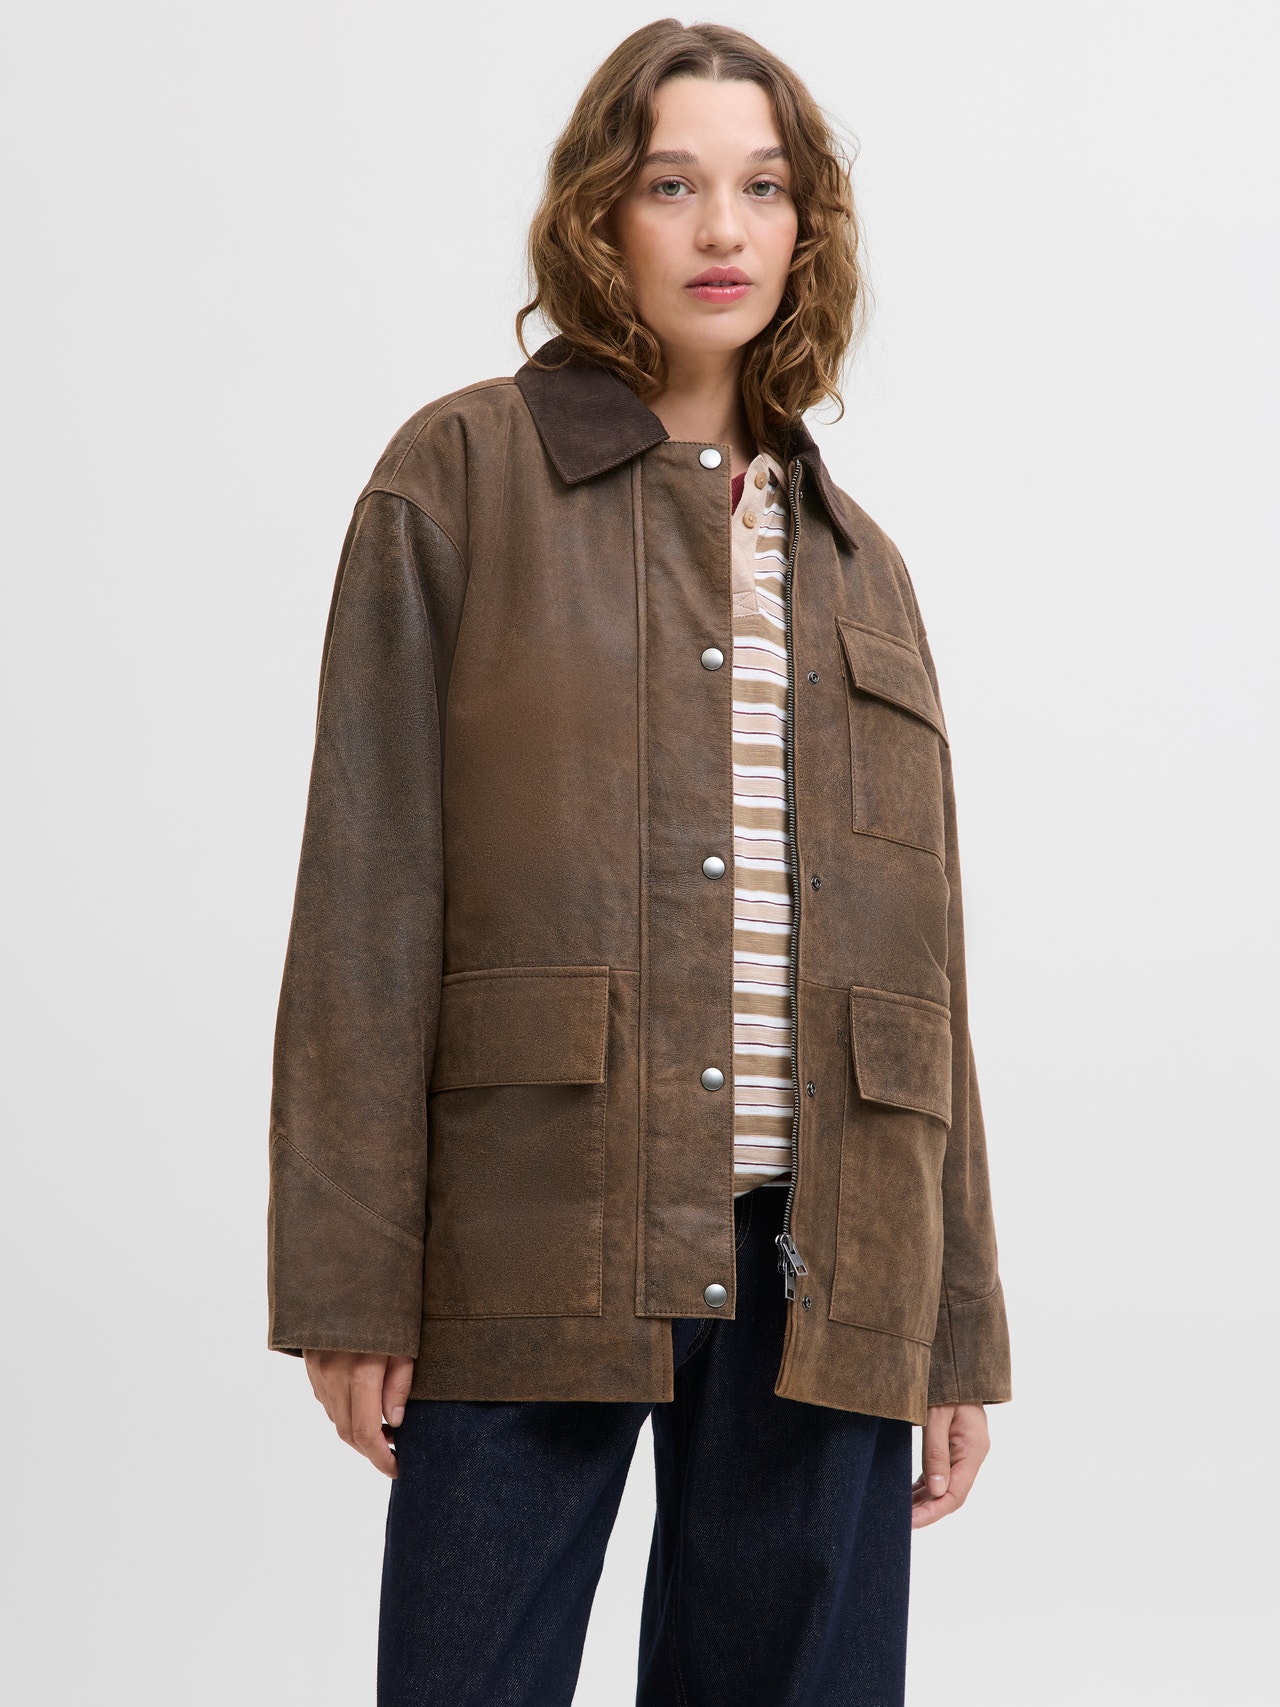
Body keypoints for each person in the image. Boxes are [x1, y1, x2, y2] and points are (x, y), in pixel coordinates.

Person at [266, 19, 1012, 1706]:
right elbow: (365, 895)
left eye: (765, 188)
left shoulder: (860, 564)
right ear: (601, 213)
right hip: (538, 1220)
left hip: (829, 1255)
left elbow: (927, 971)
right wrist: (351, 1279)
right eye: (673, 185)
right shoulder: (462, 478)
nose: (722, 229)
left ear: (808, 227)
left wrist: (953, 1322)